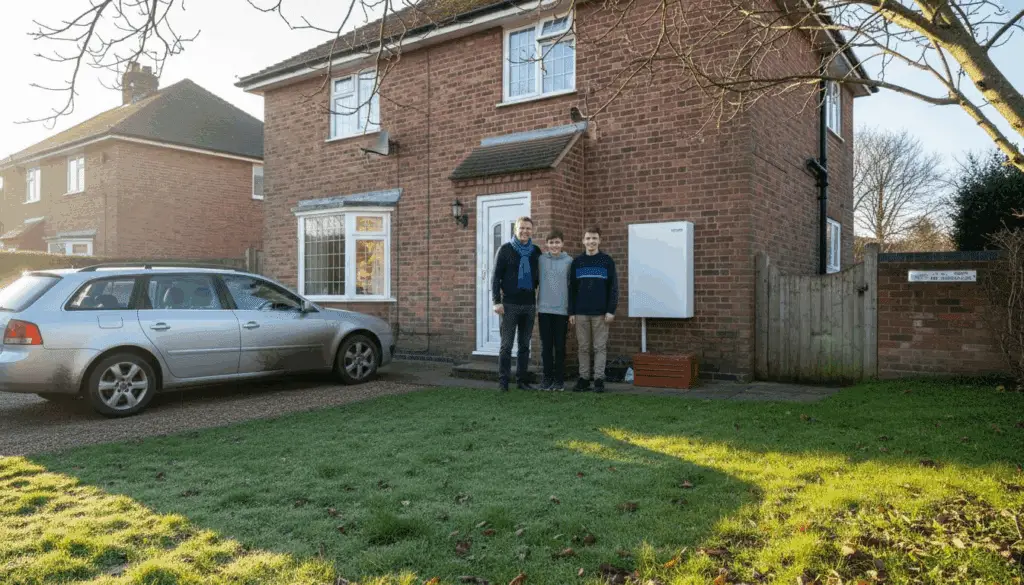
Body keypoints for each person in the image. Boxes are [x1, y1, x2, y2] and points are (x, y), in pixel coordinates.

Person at [491, 216, 542, 391]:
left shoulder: (536, 251)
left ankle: (522, 381)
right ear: (515, 230)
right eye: (522, 228)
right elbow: (495, 277)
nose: (525, 231)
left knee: (524, 345)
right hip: (509, 305)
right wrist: (496, 301)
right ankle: (503, 382)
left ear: (532, 231)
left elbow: (539, 277)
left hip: (529, 304)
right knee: (506, 345)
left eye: (528, 228)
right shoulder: (505, 250)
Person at [568, 226, 619, 393]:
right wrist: (571, 312)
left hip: (601, 313)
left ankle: (598, 380)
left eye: (594, 238)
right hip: (581, 312)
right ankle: (583, 379)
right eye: (588, 238)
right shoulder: (577, 262)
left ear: (600, 240)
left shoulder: (607, 261)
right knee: (583, 347)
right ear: (583, 241)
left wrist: (611, 310)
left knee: (599, 347)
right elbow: (571, 289)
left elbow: (613, 288)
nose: (591, 241)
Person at [537, 229, 573, 391]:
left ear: (562, 244)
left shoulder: (569, 261)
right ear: (546, 244)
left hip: (562, 311)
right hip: (544, 310)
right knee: (546, 347)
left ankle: (559, 380)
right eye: (551, 242)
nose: (554, 245)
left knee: (559, 347)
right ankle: (547, 379)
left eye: (557, 242)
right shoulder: (541, 260)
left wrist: (571, 310)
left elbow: (572, 287)